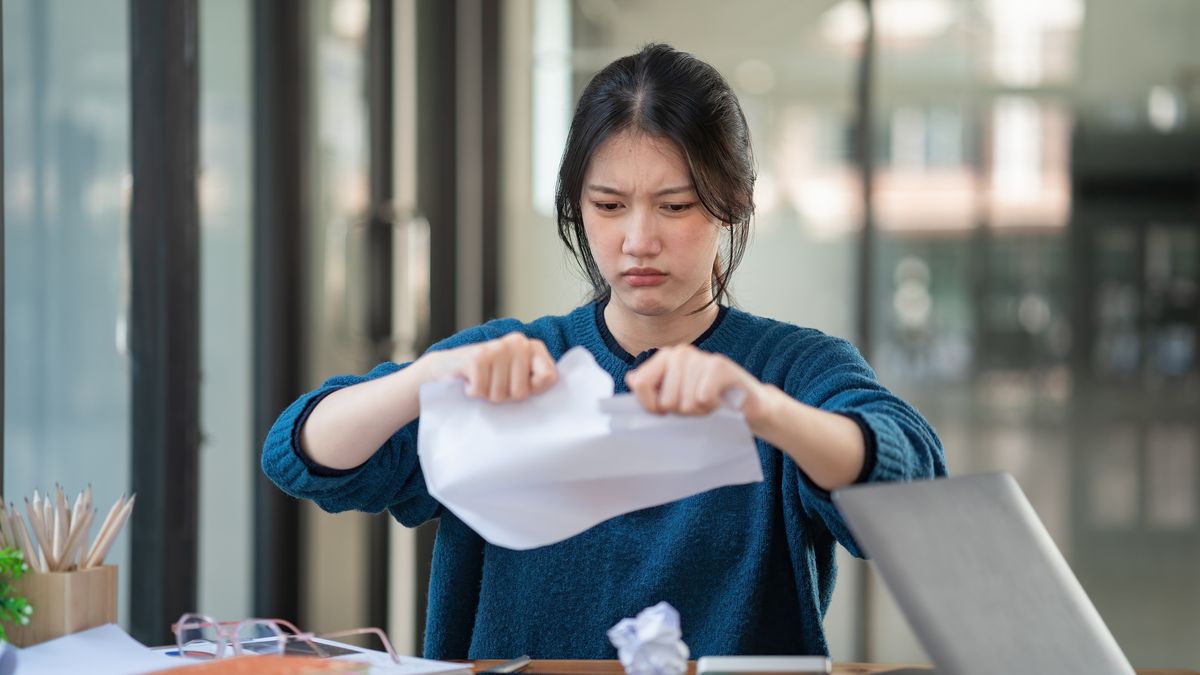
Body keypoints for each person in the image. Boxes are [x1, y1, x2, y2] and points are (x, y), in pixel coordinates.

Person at [262, 43, 946, 660]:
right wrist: (428, 376)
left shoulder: (793, 368)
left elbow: (914, 488)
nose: (638, 239)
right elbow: (301, 455)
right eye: (609, 205)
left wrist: (764, 410)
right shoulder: (512, 359)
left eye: (675, 206)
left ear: (732, 202)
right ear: (576, 207)